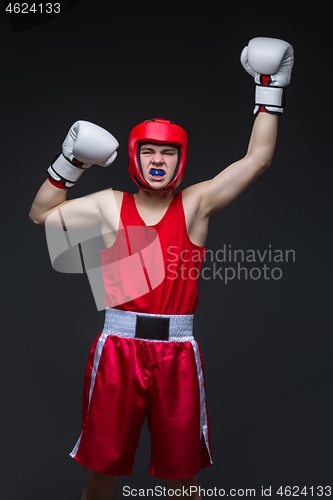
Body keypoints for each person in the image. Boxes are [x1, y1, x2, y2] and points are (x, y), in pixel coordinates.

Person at [29, 37, 294, 500]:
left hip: (177, 355)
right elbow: (42, 216)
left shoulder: (195, 205)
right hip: (118, 352)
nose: (157, 161)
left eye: (167, 153)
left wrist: (269, 90)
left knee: (182, 480)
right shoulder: (113, 207)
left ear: (179, 159)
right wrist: (69, 163)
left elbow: (258, 160)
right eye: (149, 152)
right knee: (102, 472)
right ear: (135, 156)